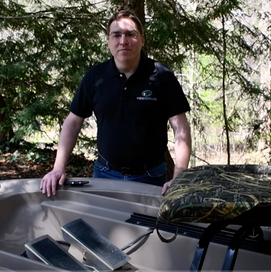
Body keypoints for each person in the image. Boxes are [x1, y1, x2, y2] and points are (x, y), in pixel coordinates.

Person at [40, 10, 191, 197]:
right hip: (104, 175)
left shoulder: (162, 77)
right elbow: (73, 122)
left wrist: (179, 176)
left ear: (142, 40)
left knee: (149, 227)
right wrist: (58, 168)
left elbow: (181, 128)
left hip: (151, 177)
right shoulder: (95, 77)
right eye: (116, 35)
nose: (123, 41)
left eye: (130, 34)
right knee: (101, 225)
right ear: (108, 41)